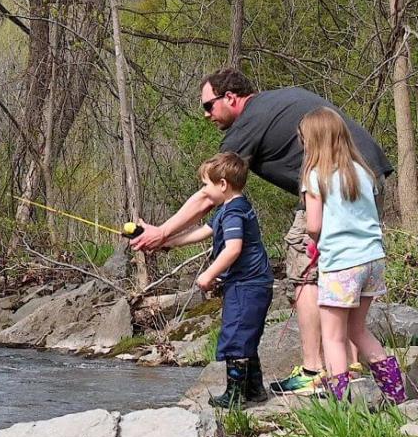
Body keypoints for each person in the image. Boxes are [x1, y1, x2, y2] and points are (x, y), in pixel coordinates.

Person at [132, 68, 393, 394]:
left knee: (306, 270)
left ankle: (316, 371)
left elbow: (209, 193)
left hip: (334, 181)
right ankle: (349, 368)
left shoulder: (248, 123)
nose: (205, 115)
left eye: (208, 106)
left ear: (230, 97)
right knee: (347, 268)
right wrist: (170, 239)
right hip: (367, 176)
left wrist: (161, 231)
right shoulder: (273, 104)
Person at [299, 108, 405, 403]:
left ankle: (340, 406)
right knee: (358, 330)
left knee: (333, 336)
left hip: (341, 265)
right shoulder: (362, 171)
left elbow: (314, 225)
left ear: (314, 140)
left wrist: (313, 242)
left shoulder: (315, 175)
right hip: (373, 260)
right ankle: (397, 395)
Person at [162, 152, 273, 407]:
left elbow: (233, 248)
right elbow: (204, 232)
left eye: (205, 185)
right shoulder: (230, 208)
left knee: (235, 336)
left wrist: (208, 274)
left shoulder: (234, 212)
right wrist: (168, 242)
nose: (203, 191)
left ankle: (234, 396)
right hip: (250, 284)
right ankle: (255, 390)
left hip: (248, 284)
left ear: (223, 185)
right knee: (246, 336)